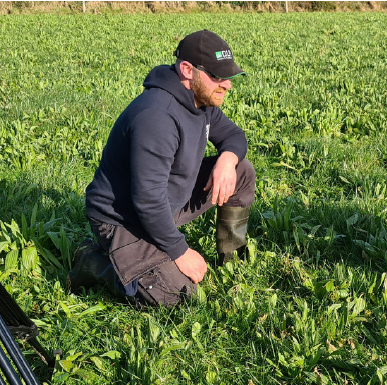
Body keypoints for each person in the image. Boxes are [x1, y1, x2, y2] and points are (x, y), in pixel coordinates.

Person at [67, 30, 256, 307]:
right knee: (178, 297)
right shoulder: (157, 117)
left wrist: (227, 160)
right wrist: (180, 252)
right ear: (187, 70)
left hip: (167, 202)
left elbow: (234, 137)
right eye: (217, 76)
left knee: (242, 171)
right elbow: (147, 200)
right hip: (125, 219)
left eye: (228, 76)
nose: (226, 84)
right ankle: (94, 262)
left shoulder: (202, 100)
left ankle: (231, 259)